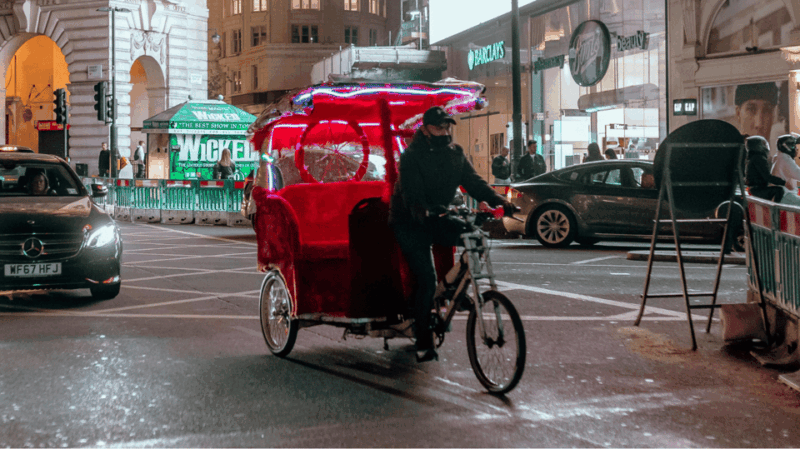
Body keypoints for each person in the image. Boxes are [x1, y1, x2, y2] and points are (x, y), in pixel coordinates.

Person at [389, 106, 518, 363]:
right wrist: (424, 210)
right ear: (425, 129)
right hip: (411, 221)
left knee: (476, 236)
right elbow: (411, 193)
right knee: (426, 279)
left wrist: (499, 201)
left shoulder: (455, 154)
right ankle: (424, 341)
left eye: (447, 127)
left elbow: (474, 183)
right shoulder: (412, 156)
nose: (444, 132)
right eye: (438, 128)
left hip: (439, 216)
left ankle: (453, 291)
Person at [745, 136, 785, 202]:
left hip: (753, 189)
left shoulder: (752, 157)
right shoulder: (759, 158)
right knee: (779, 190)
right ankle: (774, 210)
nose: (766, 146)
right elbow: (767, 177)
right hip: (758, 190)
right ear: (759, 146)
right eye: (764, 144)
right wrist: (784, 182)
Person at [770, 133, 800, 206]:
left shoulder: (780, 157)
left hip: (782, 194)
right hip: (785, 195)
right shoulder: (785, 160)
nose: (797, 149)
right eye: (795, 146)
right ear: (788, 147)